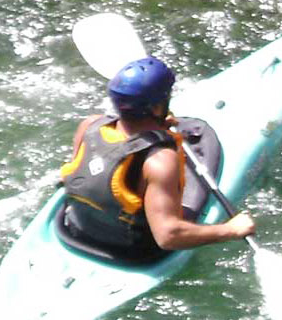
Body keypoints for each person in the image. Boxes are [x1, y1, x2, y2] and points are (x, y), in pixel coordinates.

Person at [58, 56, 254, 258]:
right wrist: (231, 230)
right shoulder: (160, 161)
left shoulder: (90, 125)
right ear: (156, 107)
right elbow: (168, 236)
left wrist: (156, 129)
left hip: (76, 228)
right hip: (130, 247)